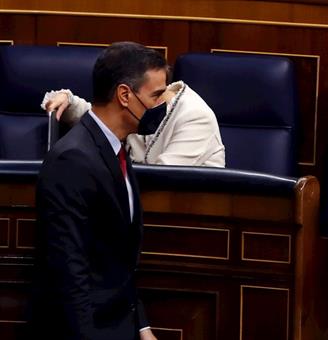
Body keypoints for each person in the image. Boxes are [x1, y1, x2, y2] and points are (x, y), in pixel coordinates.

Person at [31, 41, 167, 340]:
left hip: (120, 325)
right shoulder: (73, 159)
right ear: (124, 95)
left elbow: (119, 260)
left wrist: (142, 326)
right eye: (156, 96)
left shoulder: (115, 149)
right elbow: (70, 272)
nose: (161, 106)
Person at [41, 76, 225, 167]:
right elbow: (102, 120)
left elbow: (164, 177)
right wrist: (68, 100)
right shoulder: (140, 106)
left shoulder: (196, 117)